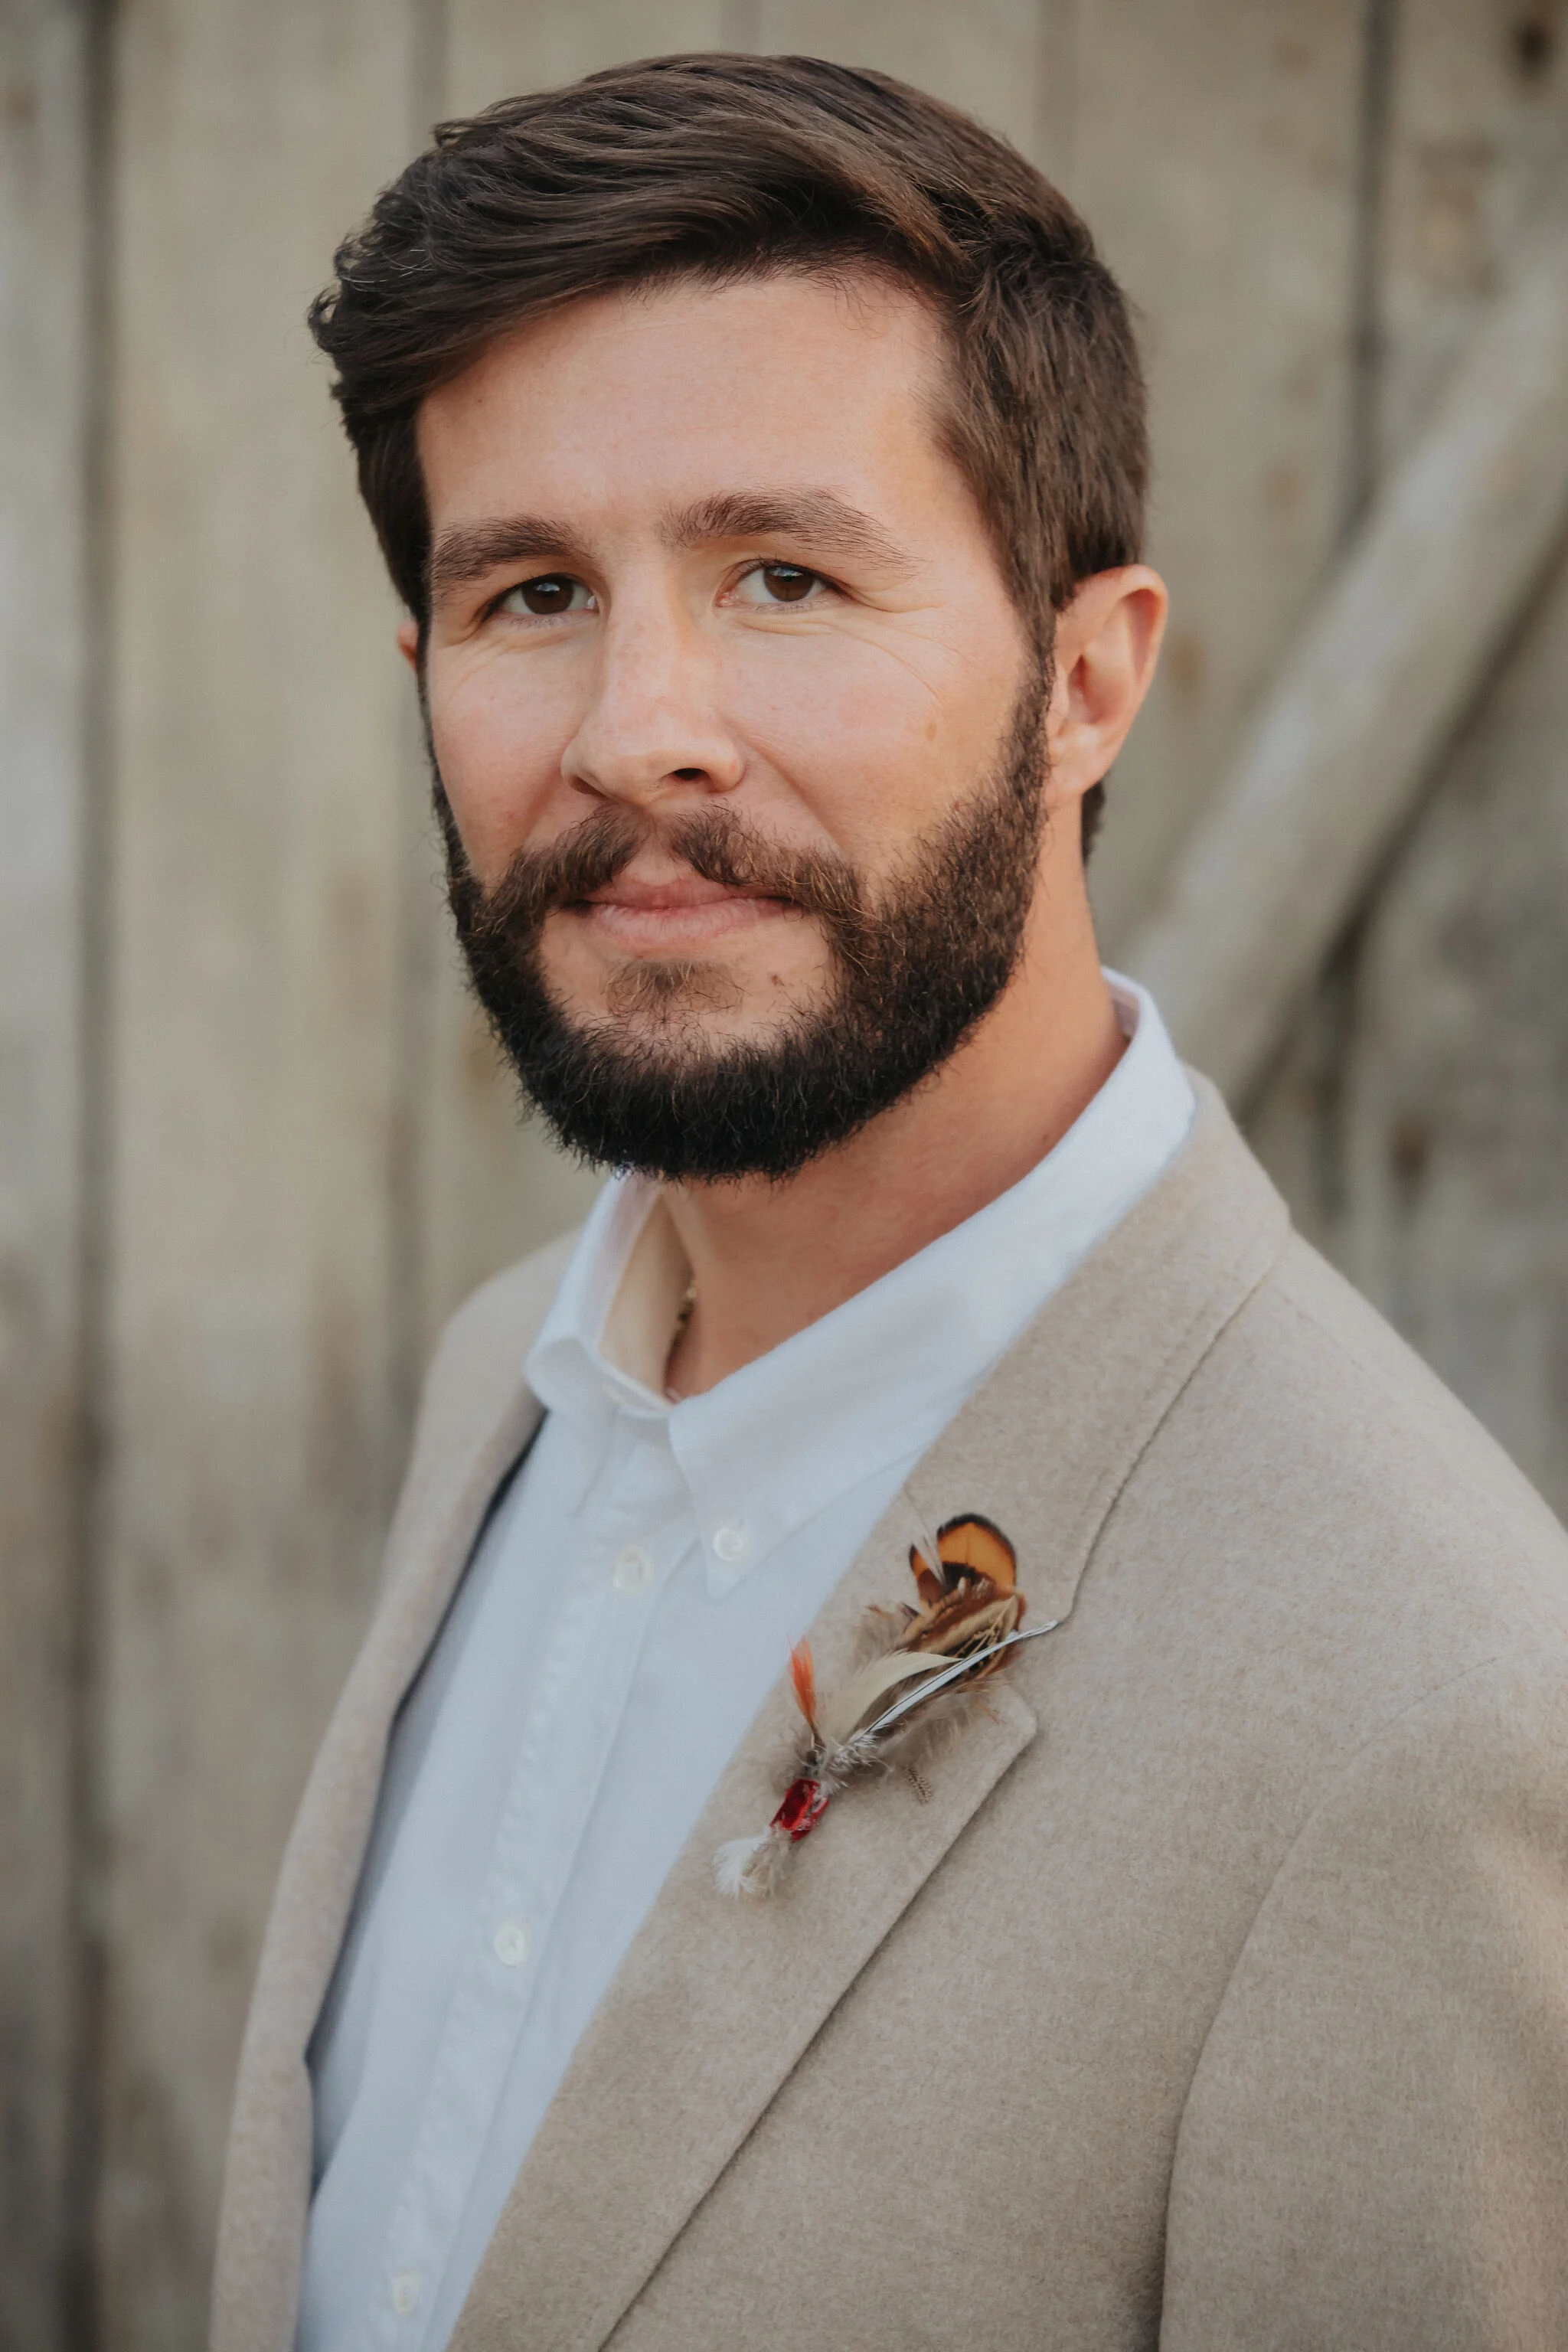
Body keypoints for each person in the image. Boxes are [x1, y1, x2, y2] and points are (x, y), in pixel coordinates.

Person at [211, 53, 1568, 2352]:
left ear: (1086, 679)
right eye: (535, 590)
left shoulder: (1427, 1715)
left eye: (785, 575)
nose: (643, 727)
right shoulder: (503, 1390)